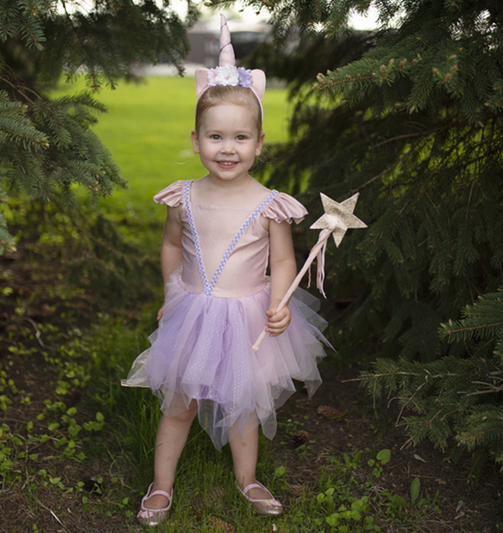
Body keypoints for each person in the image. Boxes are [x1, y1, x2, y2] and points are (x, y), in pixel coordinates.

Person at [121, 15, 330, 527]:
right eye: (216, 137)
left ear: (260, 144)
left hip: (247, 315)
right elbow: (172, 246)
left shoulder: (270, 205)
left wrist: (280, 303)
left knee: (243, 403)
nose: (228, 148)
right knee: (180, 404)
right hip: (194, 311)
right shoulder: (184, 197)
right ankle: (161, 484)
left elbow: (283, 259)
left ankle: (247, 478)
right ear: (196, 141)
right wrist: (172, 289)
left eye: (240, 138)